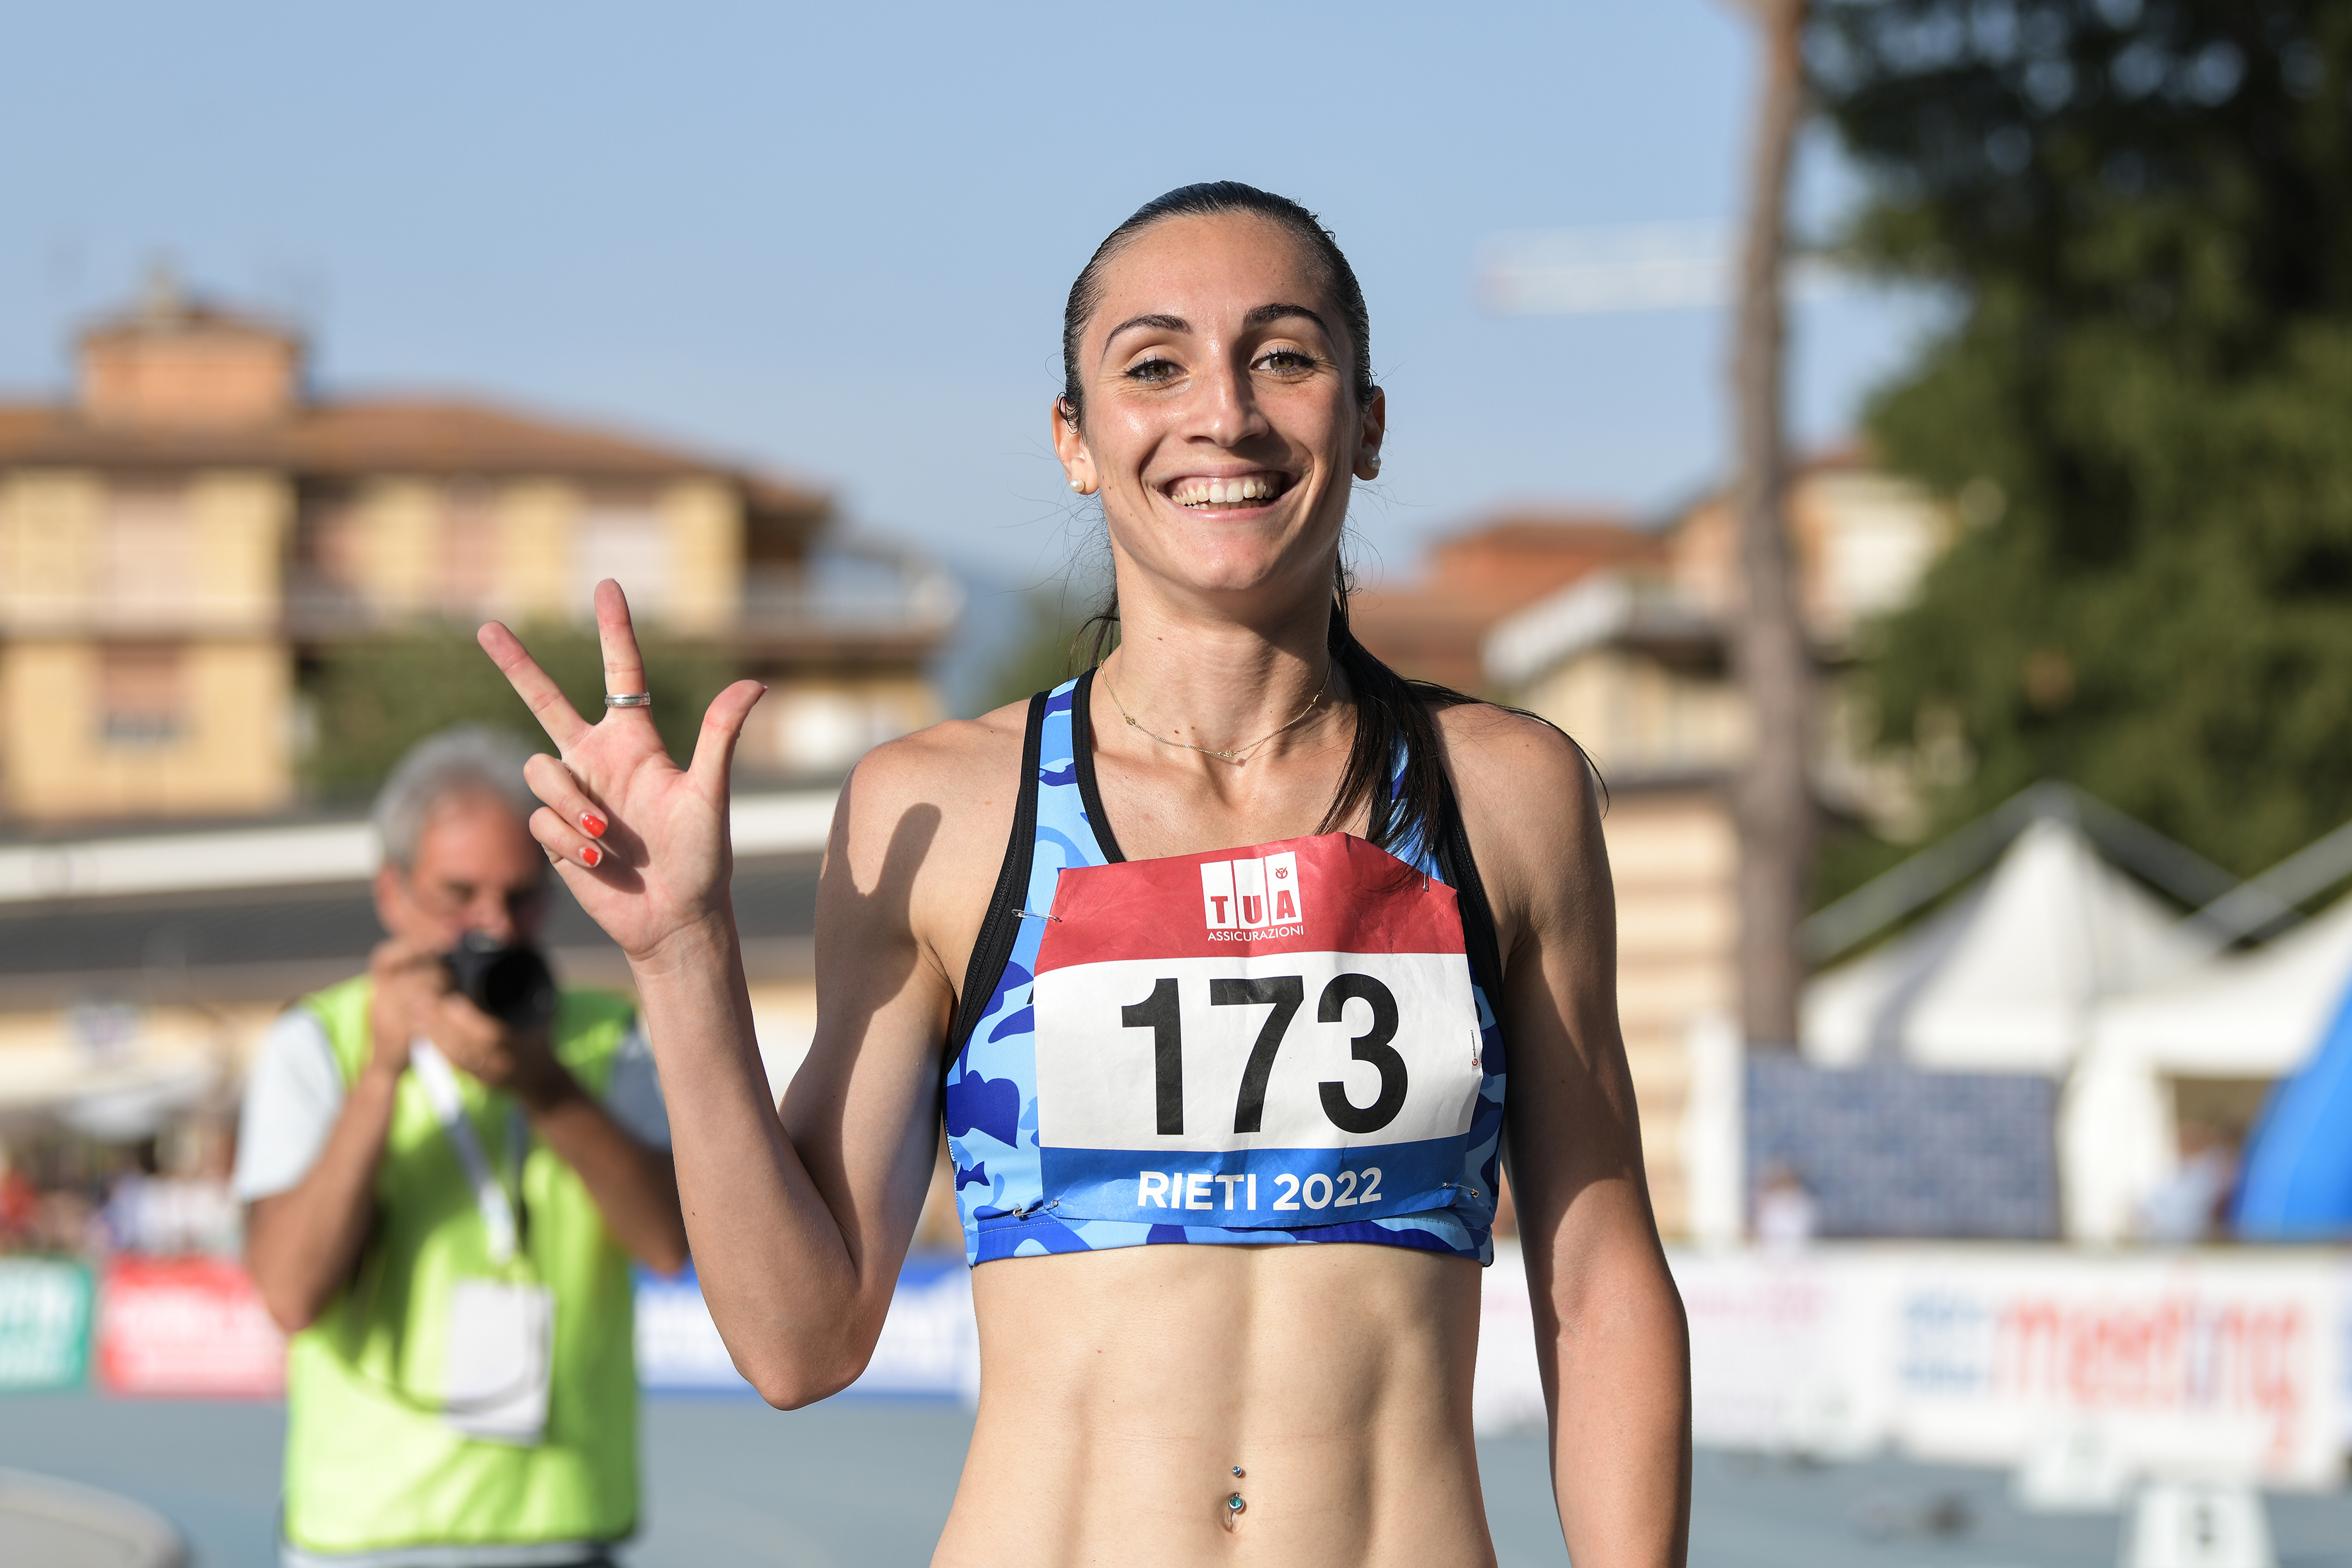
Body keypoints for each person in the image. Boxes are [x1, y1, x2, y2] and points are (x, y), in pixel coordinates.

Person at [482, 182, 1690, 1565]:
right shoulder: (941, 813)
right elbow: (798, 1341)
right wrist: (679, 953)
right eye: (1154, 365)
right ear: (1074, 437)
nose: (1222, 412)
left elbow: (1598, 1288)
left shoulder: (1503, 798)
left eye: (1282, 355)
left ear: (1364, 423)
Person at [235, 728, 687, 1568]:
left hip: (562, 1520)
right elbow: (290, 1295)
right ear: (392, 892)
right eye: (458, 896)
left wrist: (544, 1086)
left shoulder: (602, 1034)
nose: (493, 926)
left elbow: (668, 1244)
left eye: (521, 897)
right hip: (366, 1532)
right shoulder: (318, 1041)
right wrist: (381, 1073)